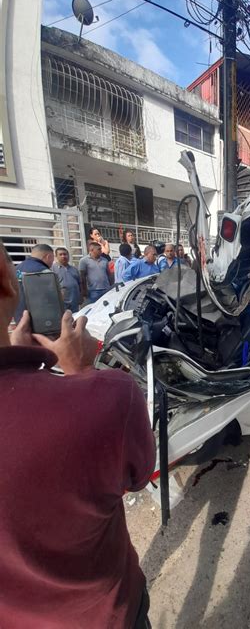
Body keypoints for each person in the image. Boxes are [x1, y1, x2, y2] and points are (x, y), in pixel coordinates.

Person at [0, 240, 156, 628]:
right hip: (106, 613)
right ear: (9, 279)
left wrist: (23, 371)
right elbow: (139, 477)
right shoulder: (110, 396)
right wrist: (82, 373)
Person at [13, 243, 55, 322]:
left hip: (19, 319)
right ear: (48, 256)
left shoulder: (16, 269)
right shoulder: (44, 272)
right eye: (53, 259)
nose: (52, 262)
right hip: (40, 321)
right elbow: (53, 298)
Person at [52, 247, 82, 313]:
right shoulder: (53, 269)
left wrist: (81, 297)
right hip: (62, 302)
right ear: (56, 256)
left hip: (74, 300)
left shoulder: (74, 269)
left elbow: (79, 283)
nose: (63, 256)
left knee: (74, 317)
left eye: (65, 254)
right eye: (60, 254)